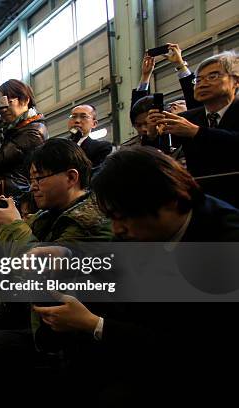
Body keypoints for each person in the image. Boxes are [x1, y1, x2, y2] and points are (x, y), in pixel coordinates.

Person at [0, 138, 113, 406]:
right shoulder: (49, 215)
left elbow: (41, 273)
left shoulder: (89, 221)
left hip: (65, 340)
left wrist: (13, 227)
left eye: (40, 178)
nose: (33, 185)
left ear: (71, 177)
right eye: (31, 178)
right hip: (32, 322)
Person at [91, 146, 239, 403]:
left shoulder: (226, 247)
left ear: (170, 200)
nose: (117, 229)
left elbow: (191, 350)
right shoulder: (139, 233)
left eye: (122, 216)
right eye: (110, 218)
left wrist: (96, 325)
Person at [148, 50, 239, 206]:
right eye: (198, 79)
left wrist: (197, 132)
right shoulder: (188, 118)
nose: (203, 83)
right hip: (203, 201)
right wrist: (152, 134)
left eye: (213, 76)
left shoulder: (189, 125)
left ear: (235, 81)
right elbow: (163, 155)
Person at [0, 79, 47, 202]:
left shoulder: (34, 132)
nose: (3, 109)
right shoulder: (12, 126)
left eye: (7, 102)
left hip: (13, 199)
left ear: (26, 100)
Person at [66, 104, 112, 170]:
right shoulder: (57, 146)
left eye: (83, 117)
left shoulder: (102, 148)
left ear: (94, 124)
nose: (77, 121)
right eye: (73, 117)